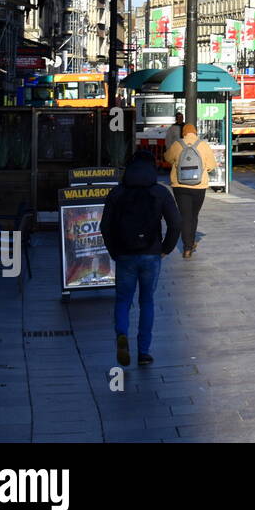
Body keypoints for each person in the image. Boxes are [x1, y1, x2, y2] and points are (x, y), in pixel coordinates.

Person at [100, 151, 180, 367]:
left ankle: (121, 335)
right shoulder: (160, 192)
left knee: (123, 299)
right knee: (147, 302)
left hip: (125, 254)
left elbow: (104, 227)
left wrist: (114, 251)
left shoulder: (116, 193)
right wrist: (166, 249)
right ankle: (144, 352)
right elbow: (175, 224)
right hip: (151, 254)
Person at [163, 122, 218, 259]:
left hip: (180, 186)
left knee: (185, 215)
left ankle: (187, 247)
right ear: (196, 132)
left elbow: (167, 158)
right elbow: (212, 165)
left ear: (183, 133)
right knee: (194, 215)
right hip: (199, 186)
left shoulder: (177, 144)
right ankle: (191, 243)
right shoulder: (203, 145)